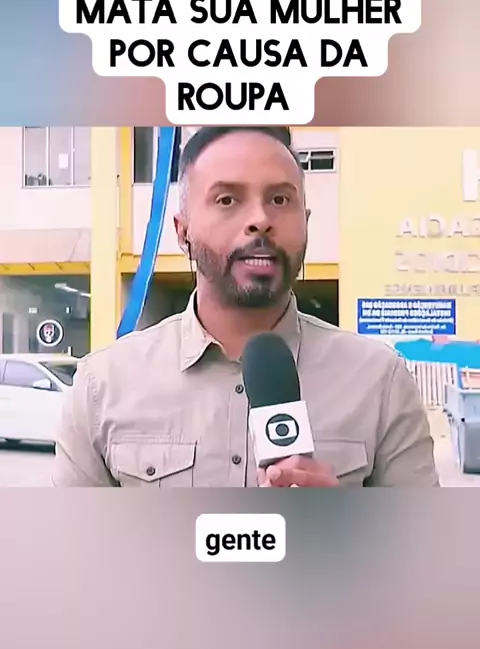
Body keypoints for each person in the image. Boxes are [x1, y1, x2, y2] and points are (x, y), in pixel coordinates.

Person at [53, 126, 439, 488]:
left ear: (305, 223)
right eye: (227, 200)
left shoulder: (380, 381)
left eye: (280, 199)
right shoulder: (101, 386)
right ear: (183, 232)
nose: (260, 220)